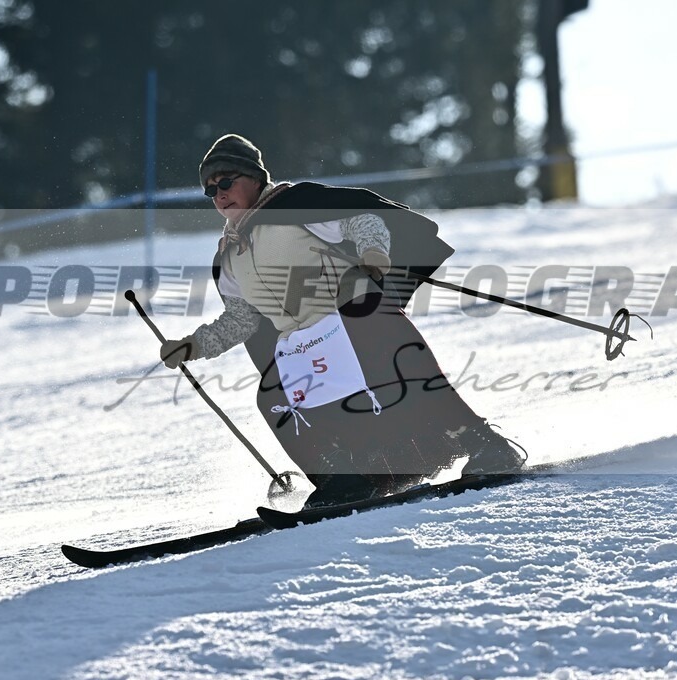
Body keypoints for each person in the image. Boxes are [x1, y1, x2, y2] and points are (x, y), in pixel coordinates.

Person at [161, 134, 524, 507]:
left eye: (226, 182)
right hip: (305, 344)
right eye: (210, 190)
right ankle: (343, 482)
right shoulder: (230, 255)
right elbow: (241, 319)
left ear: (255, 177)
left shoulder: (294, 207)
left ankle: (487, 446)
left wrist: (373, 254)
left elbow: (361, 221)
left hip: (354, 315)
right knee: (275, 397)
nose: (219, 194)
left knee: (403, 370)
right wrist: (195, 345)